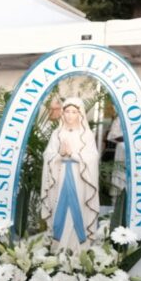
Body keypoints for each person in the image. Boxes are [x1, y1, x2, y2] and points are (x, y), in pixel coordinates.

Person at [40, 98, 101, 252]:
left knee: (79, 207)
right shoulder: (57, 133)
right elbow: (48, 155)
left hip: (80, 178)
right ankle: (57, 247)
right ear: (63, 113)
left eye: (74, 112)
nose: (70, 115)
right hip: (59, 176)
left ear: (80, 114)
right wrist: (59, 155)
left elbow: (93, 157)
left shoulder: (86, 134)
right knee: (59, 206)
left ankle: (79, 248)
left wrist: (73, 154)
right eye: (67, 111)